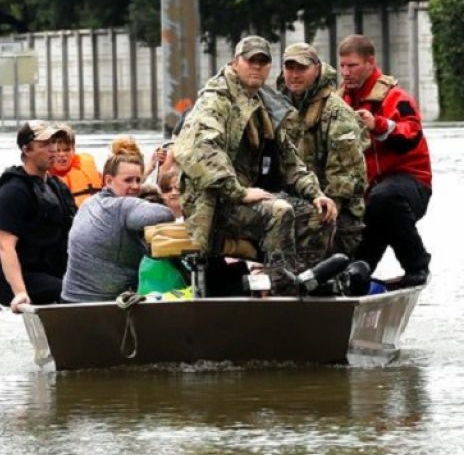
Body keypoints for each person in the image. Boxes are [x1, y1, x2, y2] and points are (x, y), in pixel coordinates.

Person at [172, 35, 338, 286]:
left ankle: (305, 281)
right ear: (235, 62)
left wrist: (316, 193)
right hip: (215, 203)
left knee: (319, 215)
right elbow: (201, 150)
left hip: (246, 200)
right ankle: (279, 288)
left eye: (263, 61)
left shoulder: (265, 103)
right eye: (251, 61)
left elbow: (290, 159)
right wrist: (238, 192)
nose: (256, 67)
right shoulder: (215, 100)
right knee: (279, 211)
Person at [338, 34, 432, 285]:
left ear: (370, 62)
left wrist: (377, 125)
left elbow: (410, 137)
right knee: (352, 264)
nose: (346, 72)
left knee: (384, 198)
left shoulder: (397, 98)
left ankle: (417, 267)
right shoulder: (338, 101)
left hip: (410, 185)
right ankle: (356, 276)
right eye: (342, 66)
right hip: (368, 194)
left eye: (352, 65)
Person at [277, 42, 367, 255]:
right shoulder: (281, 108)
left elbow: (343, 181)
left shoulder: (337, 113)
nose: (295, 75)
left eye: (302, 68)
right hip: (296, 203)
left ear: (316, 69)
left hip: (339, 215)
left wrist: (317, 213)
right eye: (290, 68)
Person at [61, 139, 175, 302]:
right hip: (102, 303)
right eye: (128, 180)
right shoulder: (123, 206)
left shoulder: (90, 202)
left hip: (69, 298)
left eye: (138, 180)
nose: (136, 186)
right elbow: (166, 215)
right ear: (108, 181)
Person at [0, 120, 77, 312]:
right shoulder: (12, 191)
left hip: (51, 270)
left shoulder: (57, 186)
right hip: (18, 277)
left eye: (54, 143)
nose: (54, 150)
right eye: (45, 145)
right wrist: (20, 292)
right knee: (73, 292)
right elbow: (4, 246)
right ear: (26, 149)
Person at [49, 124, 103, 205]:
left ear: (73, 150)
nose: (62, 154)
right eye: (57, 150)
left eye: (66, 150)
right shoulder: (41, 179)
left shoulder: (96, 174)